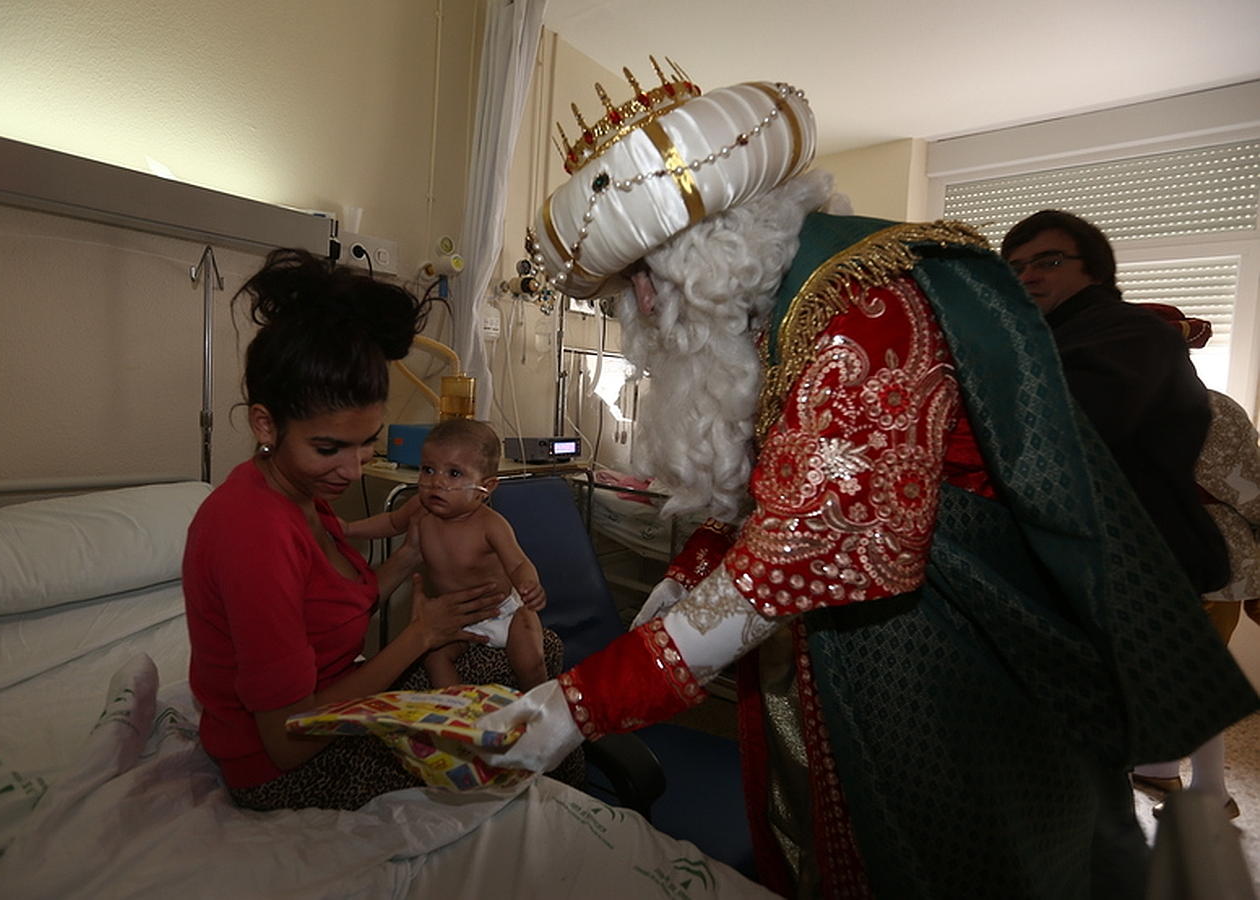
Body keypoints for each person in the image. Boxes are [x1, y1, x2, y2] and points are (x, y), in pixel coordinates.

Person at [471, 67, 1259, 899]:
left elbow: (805, 548)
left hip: (955, 662)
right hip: (870, 648)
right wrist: (676, 585)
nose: (639, 312)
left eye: (640, 281)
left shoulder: (864, 303)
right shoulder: (792, 307)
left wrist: (579, 703)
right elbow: (776, 486)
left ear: (702, 254)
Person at [181, 248, 573, 812]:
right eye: (329, 448)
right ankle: (564, 801)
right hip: (283, 768)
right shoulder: (253, 536)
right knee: (515, 730)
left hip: (340, 697)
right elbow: (289, 738)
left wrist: (411, 558)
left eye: (368, 441)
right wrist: (423, 633)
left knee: (537, 650)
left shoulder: (302, 496)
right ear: (266, 423)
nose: (354, 467)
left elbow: (333, 605)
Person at [999, 210, 1230, 595]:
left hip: (1131, 562)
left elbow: (1061, 434)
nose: (1027, 277)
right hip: (1086, 559)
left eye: (1049, 262)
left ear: (1096, 269)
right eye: (1015, 268)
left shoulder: (1129, 334)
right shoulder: (1049, 336)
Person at [1129, 304, 1260, 820]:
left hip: (1166, 562)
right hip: (1214, 564)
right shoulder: (1217, 408)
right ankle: (1187, 781)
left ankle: (1195, 784)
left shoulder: (1112, 407)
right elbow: (1251, 492)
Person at [349, 418, 550, 690]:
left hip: (504, 613)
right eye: (428, 469)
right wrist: (349, 528)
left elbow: (518, 564)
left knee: (531, 660)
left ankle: (537, 712)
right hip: (455, 619)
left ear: (486, 486)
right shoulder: (420, 508)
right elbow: (391, 522)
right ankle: (456, 711)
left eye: (454, 474)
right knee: (435, 659)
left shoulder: (490, 524)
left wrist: (530, 585)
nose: (436, 482)